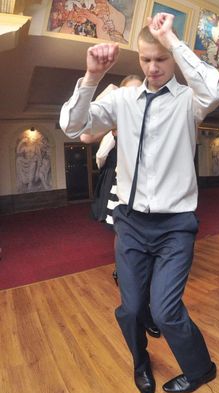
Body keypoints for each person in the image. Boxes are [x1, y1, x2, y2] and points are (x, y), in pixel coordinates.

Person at [60, 13, 219, 393]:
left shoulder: (189, 101)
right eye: (146, 59)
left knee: (165, 311)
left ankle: (201, 369)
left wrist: (173, 41)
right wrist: (91, 77)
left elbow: (215, 91)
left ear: (171, 57)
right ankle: (141, 363)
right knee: (133, 309)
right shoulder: (123, 100)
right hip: (131, 223)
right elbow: (73, 126)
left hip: (175, 226)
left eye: (161, 59)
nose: (153, 67)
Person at [81, 75, 161, 339]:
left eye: (139, 90)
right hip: (124, 190)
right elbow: (86, 137)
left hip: (153, 190)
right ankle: (138, 308)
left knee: (151, 250)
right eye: (129, 91)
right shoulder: (116, 121)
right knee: (128, 246)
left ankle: (148, 307)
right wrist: (109, 92)